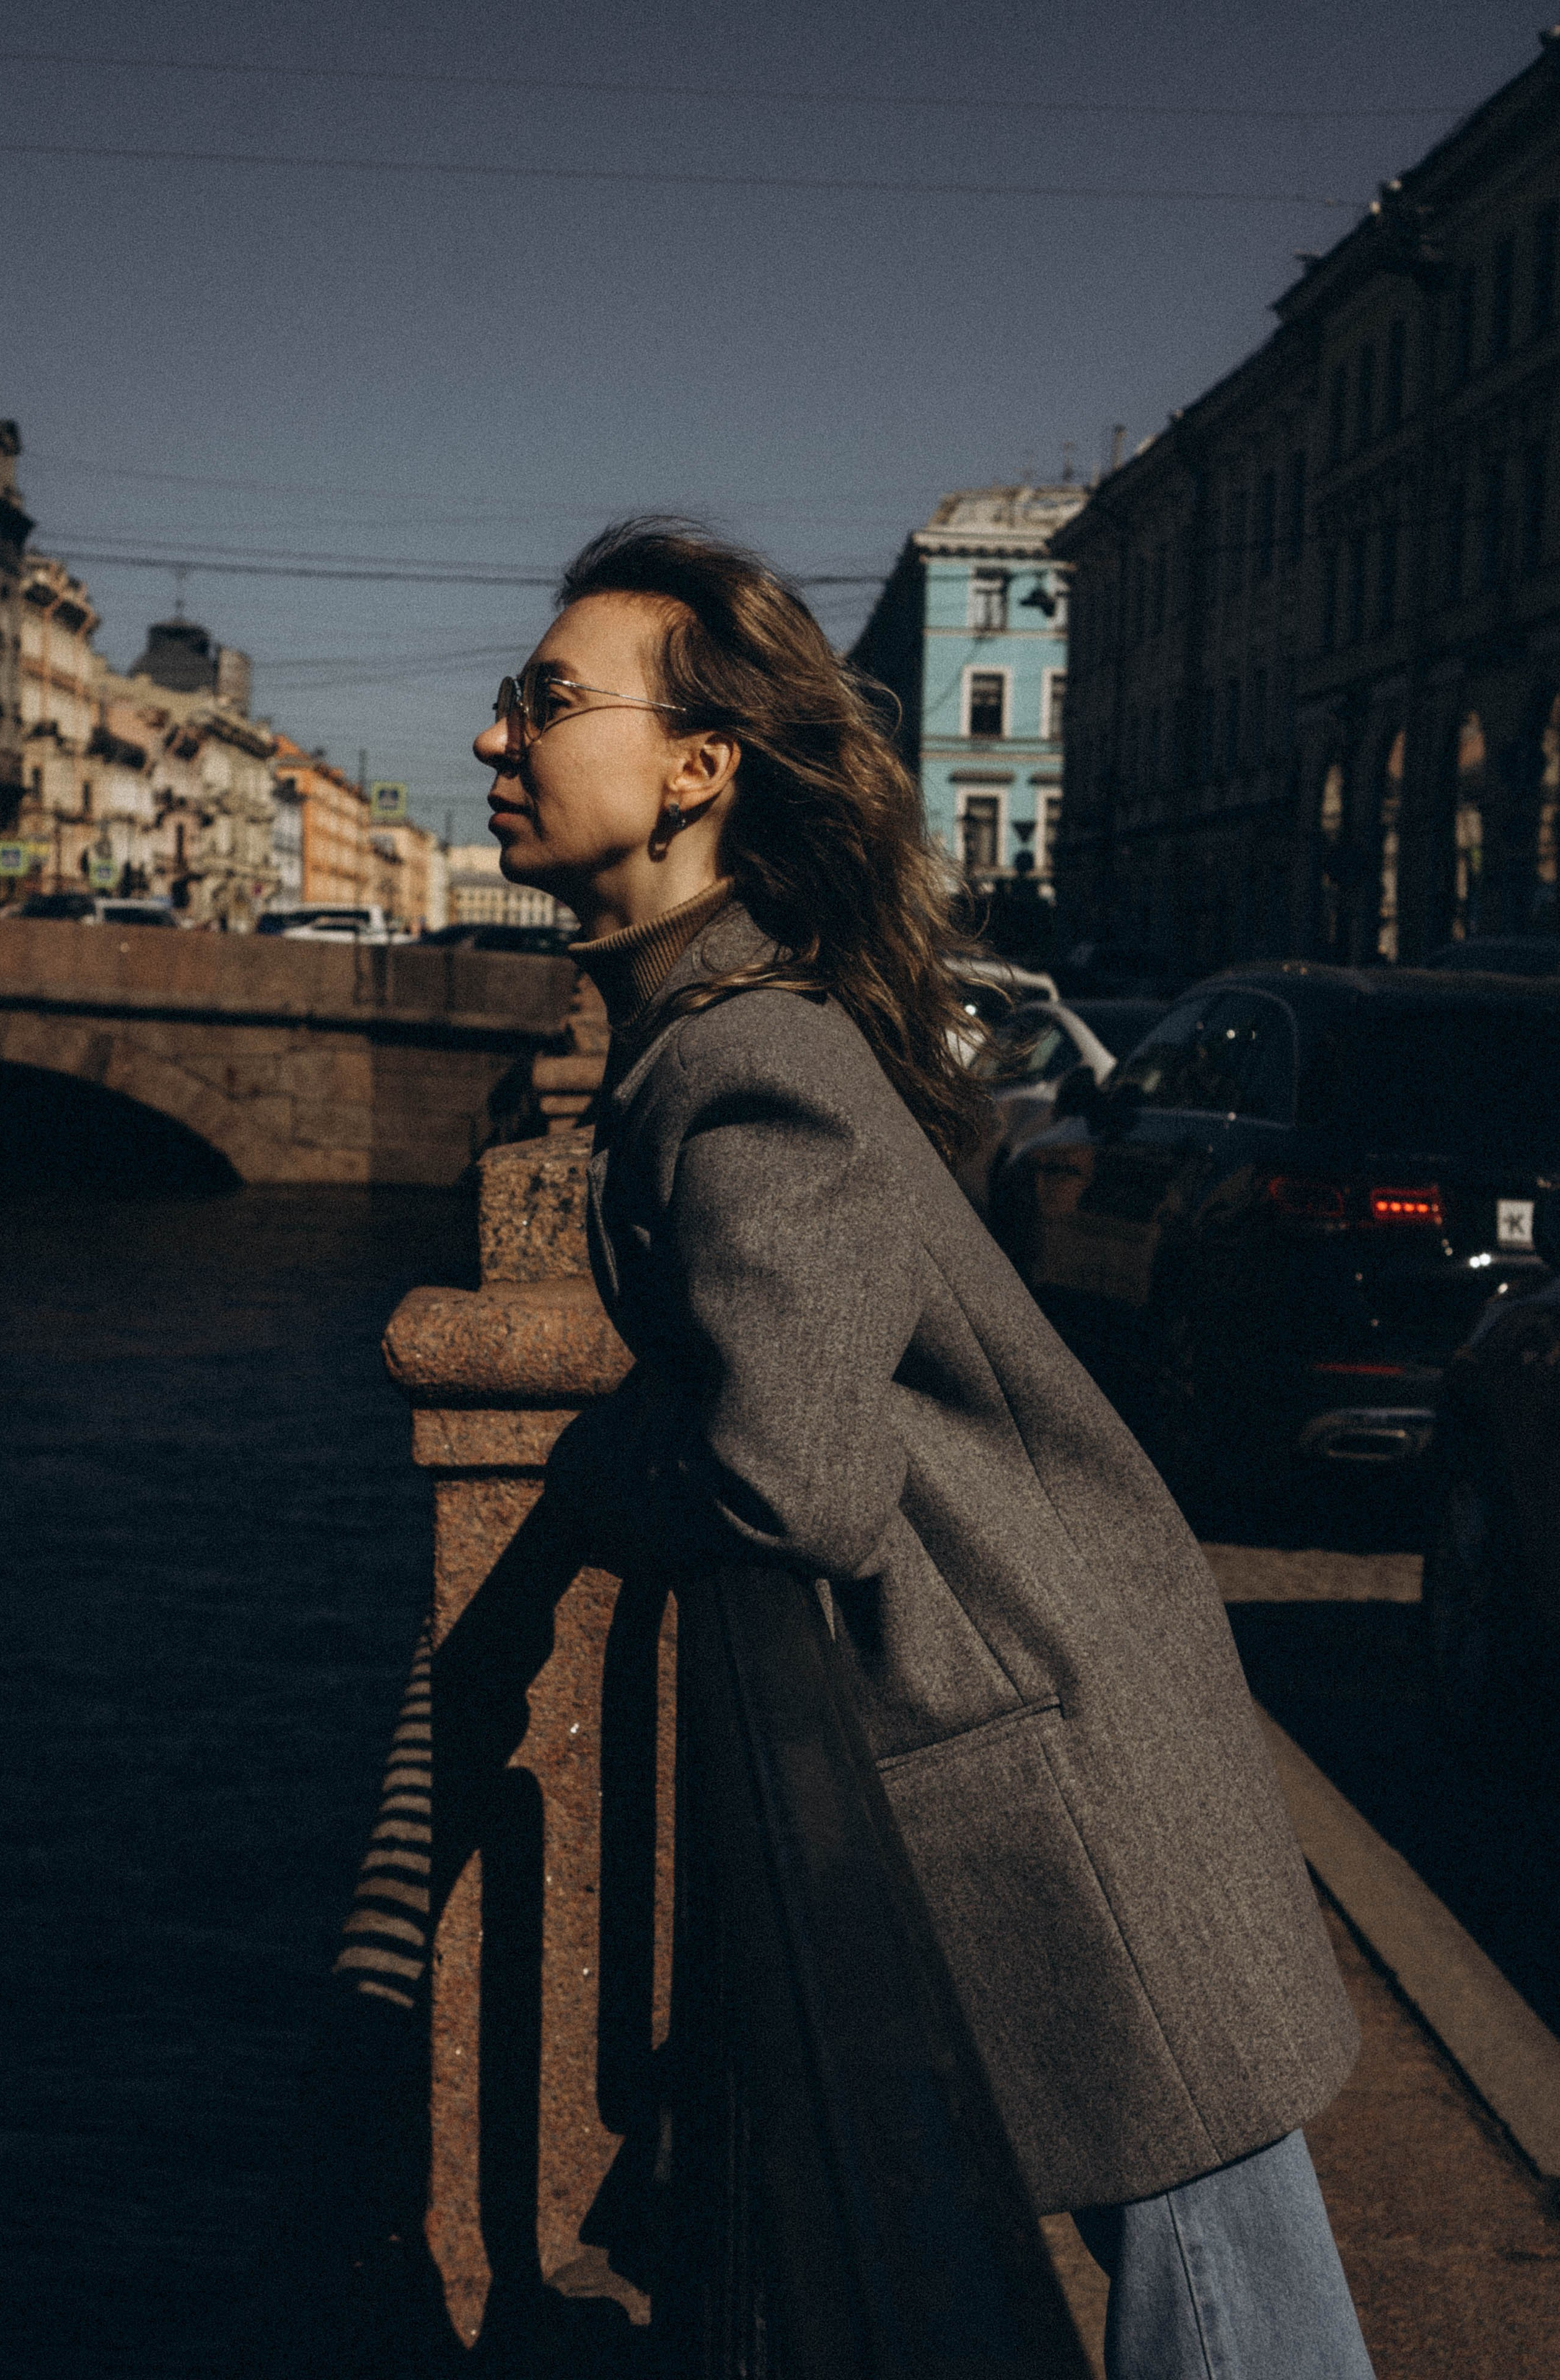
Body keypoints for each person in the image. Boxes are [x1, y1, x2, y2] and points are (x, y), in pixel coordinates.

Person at [472, 519, 1374, 2380]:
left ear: (698, 768)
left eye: (550, 702)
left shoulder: (746, 1060)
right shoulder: (724, 1026)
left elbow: (790, 1468)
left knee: (1230, 2312)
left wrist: (592, 1478)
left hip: (1058, 1760)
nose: (501, 738)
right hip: (1060, 1716)